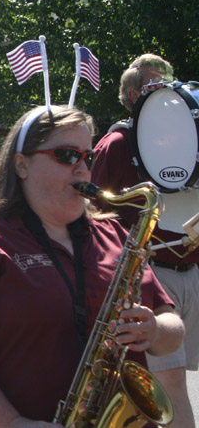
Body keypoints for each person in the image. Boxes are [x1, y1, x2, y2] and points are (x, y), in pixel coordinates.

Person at [0, 105, 184, 427]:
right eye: (66, 155)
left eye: (88, 157)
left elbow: (171, 324)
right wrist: (11, 422)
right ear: (22, 165)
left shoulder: (116, 236)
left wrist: (155, 329)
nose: (82, 168)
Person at [91, 54, 197, 427]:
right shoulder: (116, 143)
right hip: (151, 273)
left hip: (192, 268)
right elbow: (97, 212)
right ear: (135, 95)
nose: (169, 91)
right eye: (157, 84)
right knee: (171, 383)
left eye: (170, 81)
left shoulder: (185, 137)